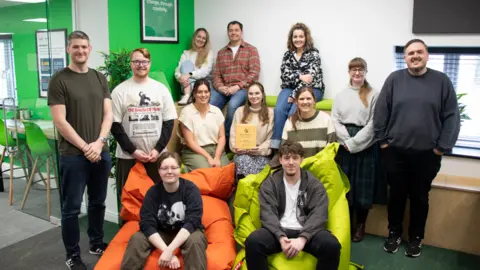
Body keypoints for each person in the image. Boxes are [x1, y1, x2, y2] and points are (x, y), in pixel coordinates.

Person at [374, 39, 460, 257]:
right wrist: (383, 143)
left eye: (419, 52)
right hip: (395, 153)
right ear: (405, 57)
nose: (415, 56)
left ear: (427, 55)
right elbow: (381, 112)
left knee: (420, 197)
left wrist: (441, 149)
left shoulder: (442, 81)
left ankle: (416, 238)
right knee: (396, 196)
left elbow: (451, 117)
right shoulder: (394, 80)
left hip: (427, 155)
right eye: (410, 53)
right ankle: (393, 234)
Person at [48, 31, 112, 270]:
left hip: (99, 151)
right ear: (68, 49)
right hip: (73, 156)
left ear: (90, 48)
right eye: (75, 47)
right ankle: (72, 256)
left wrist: (99, 143)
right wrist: (87, 147)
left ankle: (96, 243)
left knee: (98, 203)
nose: (80, 51)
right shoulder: (59, 80)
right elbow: (60, 121)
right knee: (71, 209)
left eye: (84, 47)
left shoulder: (99, 77)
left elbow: (108, 114)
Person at [245, 140, 341, 270]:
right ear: (280, 160)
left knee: (332, 245)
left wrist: (303, 238)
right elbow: (268, 214)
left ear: (302, 159)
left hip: (306, 230)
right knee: (253, 242)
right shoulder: (270, 183)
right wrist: (281, 237)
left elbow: (319, 213)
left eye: (295, 158)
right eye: (287, 158)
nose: (291, 162)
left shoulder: (314, 184)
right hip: (278, 231)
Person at [111, 48, 177, 222]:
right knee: (128, 203)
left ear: (150, 63)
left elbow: (169, 123)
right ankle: (127, 242)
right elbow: (114, 125)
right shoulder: (119, 91)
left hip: (156, 157)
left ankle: (159, 241)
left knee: (161, 202)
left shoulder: (161, 90)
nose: (141, 65)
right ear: (131, 64)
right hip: (128, 157)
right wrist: (133, 151)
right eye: (137, 61)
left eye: (144, 61)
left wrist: (158, 149)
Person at [120, 152, 207, 270]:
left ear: (179, 169)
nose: (169, 171)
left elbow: (193, 221)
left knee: (196, 241)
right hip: (161, 232)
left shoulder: (191, 189)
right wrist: (167, 252)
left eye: (174, 167)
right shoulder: (152, 192)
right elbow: (146, 223)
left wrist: (170, 250)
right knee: (137, 239)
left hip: (187, 232)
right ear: (159, 171)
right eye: (164, 168)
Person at [332, 57, 387, 242]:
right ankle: (346, 223)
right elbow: (335, 120)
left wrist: (355, 143)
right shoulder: (341, 95)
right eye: (353, 70)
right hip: (344, 143)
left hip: (365, 144)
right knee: (345, 187)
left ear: (365, 72)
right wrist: (347, 141)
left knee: (363, 189)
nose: (357, 73)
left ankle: (361, 226)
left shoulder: (374, 94)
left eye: (360, 69)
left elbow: (374, 123)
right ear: (349, 72)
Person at [271, 23, 325, 150]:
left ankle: (291, 148)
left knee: (293, 111)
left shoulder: (313, 54)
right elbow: (284, 75)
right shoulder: (288, 55)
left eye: (301, 36)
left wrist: (294, 94)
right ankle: (276, 148)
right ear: (291, 38)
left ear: (306, 38)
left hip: (312, 89)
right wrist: (300, 76)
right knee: (279, 109)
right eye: (295, 37)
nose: (298, 39)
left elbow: (309, 79)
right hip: (290, 87)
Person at [210, 21, 261, 146]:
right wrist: (220, 87)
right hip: (223, 89)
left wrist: (237, 86)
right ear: (228, 33)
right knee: (210, 105)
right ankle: (210, 139)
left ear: (241, 32)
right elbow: (216, 75)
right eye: (231, 30)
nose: (233, 33)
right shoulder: (221, 53)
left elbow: (254, 73)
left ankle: (227, 142)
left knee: (233, 106)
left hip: (242, 89)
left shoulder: (251, 50)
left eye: (236, 30)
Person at [178, 78, 230, 172]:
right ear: (194, 94)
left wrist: (217, 157)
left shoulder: (216, 111)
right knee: (208, 171)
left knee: (226, 171)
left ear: (210, 93)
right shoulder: (186, 112)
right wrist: (208, 157)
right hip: (194, 152)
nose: (203, 95)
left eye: (206, 92)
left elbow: (222, 137)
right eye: (199, 92)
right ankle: (186, 170)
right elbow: (190, 142)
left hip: (215, 150)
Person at [229, 82, 273, 178]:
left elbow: (271, 139)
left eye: (257, 93)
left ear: (262, 95)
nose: (254, 96)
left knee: (257, 166)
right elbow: (233, 135)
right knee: (243, 160)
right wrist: (236, 148)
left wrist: (259, 149)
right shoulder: (239, 111)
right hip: (242, 154)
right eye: (251, 94)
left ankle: (249, 186)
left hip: (262, 155)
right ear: (247, 95)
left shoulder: (271, 113)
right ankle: (254, 186)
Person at [282, 87, 335, 158]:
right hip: (297, 168)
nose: (305, 102)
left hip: (320, 166)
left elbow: (331, 149)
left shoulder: (326, 119)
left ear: (314, 101)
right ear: (296, 102)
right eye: (301, 99)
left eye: (308, 98)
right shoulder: (289, 122)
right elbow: (284, 150)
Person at [174, 28, 213, 105]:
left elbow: (204, 72)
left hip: (202, 83)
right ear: (194, 37)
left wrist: (189, 74)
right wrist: (180, 78)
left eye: (203, 38)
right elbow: (177, 71)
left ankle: (187, 95)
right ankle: (188, 95)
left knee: (195, 82)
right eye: (199, 36)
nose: (201, 39)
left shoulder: (208, 53)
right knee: (186, 64)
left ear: (206, 41)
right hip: (186, 84)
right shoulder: (186, 53)